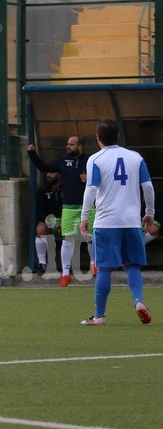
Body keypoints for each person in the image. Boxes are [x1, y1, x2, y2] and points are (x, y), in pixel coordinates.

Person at [78, 118, 154, 326]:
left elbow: (91, 189)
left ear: (98, 137)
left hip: (106, 222)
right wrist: (150, 212)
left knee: (104, 269)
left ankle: (99, 316)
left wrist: (84, 217)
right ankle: (138, 301)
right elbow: (147, 186)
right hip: (131, 221)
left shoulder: (95, 158)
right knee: (132, 266)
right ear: (118, 136)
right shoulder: (135, 157)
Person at [27, 135, 93, 285]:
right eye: (67, 144)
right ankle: (65, 274)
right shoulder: (62, 161)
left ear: (80, 146)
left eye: (71, 144)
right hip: (69, 207)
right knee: (67, 239)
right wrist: (32, 154)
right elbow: (44, 168)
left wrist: (89, 179)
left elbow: (101, 179)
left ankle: (93, 264)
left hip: (87, 206)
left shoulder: (90, 161)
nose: (68, 146)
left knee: (90, 237)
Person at [33, 170, 63, 274]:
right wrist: (48, 220)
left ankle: (67, 265)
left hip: (66, 221)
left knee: (72, 231)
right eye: (47, 173)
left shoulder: (67, 189)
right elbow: (40, 211)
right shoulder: (43, 190)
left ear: (59, 174)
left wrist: (63, 221)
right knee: (40, 229)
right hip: (50, 221)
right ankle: (42, 263)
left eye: (51, 173)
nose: (48, 175)